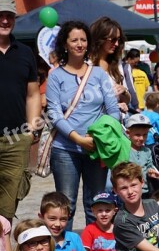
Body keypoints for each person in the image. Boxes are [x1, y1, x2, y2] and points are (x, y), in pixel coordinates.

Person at [47, 21, 120, 230]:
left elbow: (112, 108)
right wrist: (77, 138)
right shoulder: (56, 76)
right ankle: (64, 250)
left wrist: (105, 135)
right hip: (65, 149)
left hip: (97, 147)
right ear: (65, 44)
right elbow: (54, 113)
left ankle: (95, 250)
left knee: (96, 202)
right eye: (74, 40)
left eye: (83, 40)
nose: (79, 44)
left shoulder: (98, 74)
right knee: (65, 203)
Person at [0, 0, 41, 225]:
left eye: (9, 16)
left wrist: (32, 129)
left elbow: (33, 94)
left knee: (9, 201)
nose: (5, 20)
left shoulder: (25, 53)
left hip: (16, 139)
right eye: (0, 16)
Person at [89, 17, 136, 115]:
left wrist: (124, 92)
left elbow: (127, 101)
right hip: (95, 122)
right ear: (100, 39)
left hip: (115, 122)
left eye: (119, 39)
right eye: (113, 39)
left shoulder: (117, 63)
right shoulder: (87, 63)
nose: (117, 44)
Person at [126, 114, 159, 196]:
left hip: (144, 190)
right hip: (129, 191)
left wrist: (150, 171)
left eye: (145, 135)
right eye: (137, 135)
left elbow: (149, 166)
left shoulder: (147, 151)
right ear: (128, 133)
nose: (141, 138)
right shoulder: (124, 150)